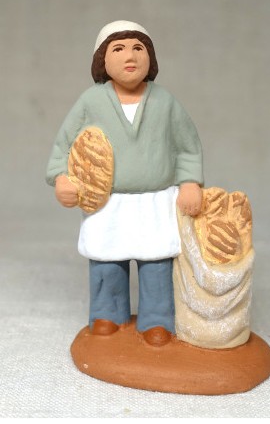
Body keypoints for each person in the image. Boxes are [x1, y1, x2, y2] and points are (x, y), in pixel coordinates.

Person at [46, 20, 203, 346]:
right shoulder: (91, 101)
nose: (130, 56)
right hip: (108, 201)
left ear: (151, 57)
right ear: (102, 59)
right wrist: (62, 177)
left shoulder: (164, 101)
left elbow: (187, 145)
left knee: (156, 262)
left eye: (138, 48)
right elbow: (64, 144)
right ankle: (107, 313)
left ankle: (157, 319)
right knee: (107, 260)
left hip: (155, 200)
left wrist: (189, 182)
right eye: (118, 49)